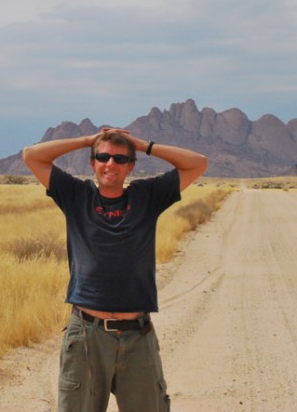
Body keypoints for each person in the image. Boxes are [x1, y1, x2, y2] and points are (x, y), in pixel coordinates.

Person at [22, 128, 207, 412]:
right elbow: (31, 156)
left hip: (137, 336)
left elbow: (198, 163)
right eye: (103, 157)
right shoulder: (76, 195)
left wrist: (143, 144)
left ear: (131, 166)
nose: (111, 164)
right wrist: (88, 140)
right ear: (93, 162)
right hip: (87, 334)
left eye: (120, 159)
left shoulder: (148, 196)